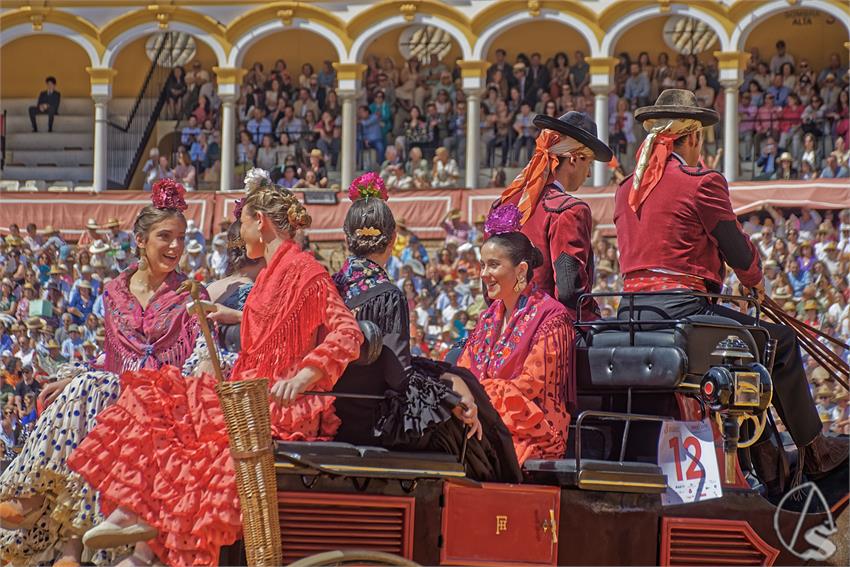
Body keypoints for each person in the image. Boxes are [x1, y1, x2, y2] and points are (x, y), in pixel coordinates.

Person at [69, 169, 363, 566]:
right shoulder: (271, 273)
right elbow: (279, 324)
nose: (238, 233)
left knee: (193, 437)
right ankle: (136, 518)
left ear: (259, 222)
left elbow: (347, 332)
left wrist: (305, 375)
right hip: (247, 394)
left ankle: (143, 546)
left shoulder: (306, 271)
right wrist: (228, 314)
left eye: (241, 222)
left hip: (276, 404)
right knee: (152, 394)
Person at [613, 89, 848, 488]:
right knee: (782, 344)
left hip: (631, 315)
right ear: (692, 139)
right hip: (683, 314)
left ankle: (767, 459)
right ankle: (814, 449)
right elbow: (738, 250)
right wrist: (755, 283)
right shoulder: (700, 183)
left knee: (748, 351)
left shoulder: (625, 189)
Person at [0, 179, 203, 566]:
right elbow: (111, 359)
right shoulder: (113, 292)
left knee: (94, 392)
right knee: (86, 392)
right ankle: (66, 540)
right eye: (166, 236)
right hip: (116, 390)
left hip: (162, 401)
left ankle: (61, 534)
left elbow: (193, 363)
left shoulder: (192, 294)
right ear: (140, 240)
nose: (175, 247)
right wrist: (74, 376)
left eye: (180, 237)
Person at [457, 227, 574, 465]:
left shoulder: (551, 317)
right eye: (482, 265)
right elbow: (465, 369)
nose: (483, 274)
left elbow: (531, 385)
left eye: (493, 265)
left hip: (533, 426)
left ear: (521, 269)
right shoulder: (489, 318)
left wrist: (478, 401)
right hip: (485, 415)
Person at [491, 111, 613, 320]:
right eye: (589, 163)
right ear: (574, 159)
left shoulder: (501, 204)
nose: (589, 174)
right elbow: (569, 291)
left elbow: (490, 286)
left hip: (500, 328)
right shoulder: (569, 209)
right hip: (544, 332)